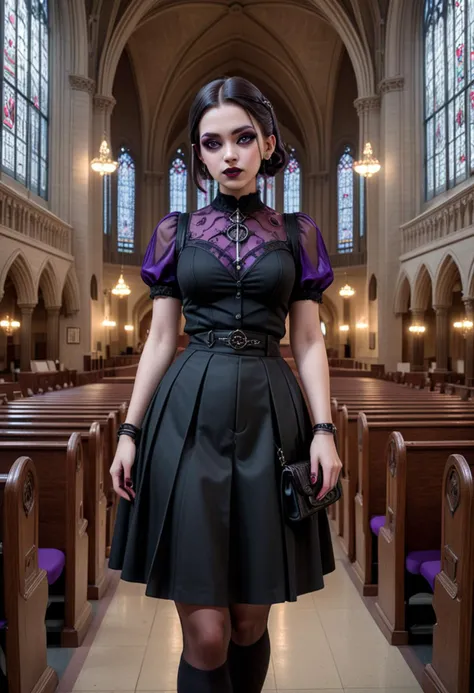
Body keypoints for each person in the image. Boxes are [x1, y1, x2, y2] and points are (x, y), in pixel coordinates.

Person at [108, 76, 342, 693]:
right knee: (206, 634)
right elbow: (160, 339)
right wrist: (129, 431)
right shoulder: (173, 233)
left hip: (272, 415)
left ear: (268, 143)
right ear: (199, 155)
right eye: (212, 144)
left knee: (246, 623)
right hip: (188, 416)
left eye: (243, 138)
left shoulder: (299, 234)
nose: (229, 155)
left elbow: (310, 341)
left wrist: (324, 431)